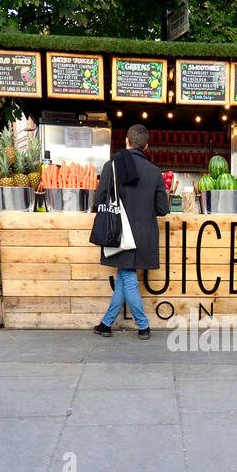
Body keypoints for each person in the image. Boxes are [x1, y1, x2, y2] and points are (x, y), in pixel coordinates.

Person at [91, 124, 168, 340]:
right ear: (146, 147)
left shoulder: (111, 166)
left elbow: (98, 202)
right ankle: (106, 324)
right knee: (126, 277)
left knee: (128, 278)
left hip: (119, 233)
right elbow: (163, 209)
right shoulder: (154, 172)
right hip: (144, 236)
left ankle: (143, 326)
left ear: (126, 141)